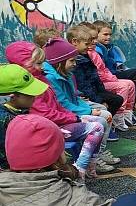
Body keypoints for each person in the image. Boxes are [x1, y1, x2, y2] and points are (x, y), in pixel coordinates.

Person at [5, 41, 109, 177]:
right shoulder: (30, 87)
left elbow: (58, 106)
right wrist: (75, 117)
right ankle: (81, 169)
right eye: (38, 63)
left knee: (100, 121)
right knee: (97, 127)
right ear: (23, 64)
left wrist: (74, 116)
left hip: (58, 122)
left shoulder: (42, 79)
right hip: (48, 127)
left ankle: (90, 164)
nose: (43, 67)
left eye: (42, 62)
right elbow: (44, 113)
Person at [41, 37, 120, 167]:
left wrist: (92, 109)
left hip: (73, 109)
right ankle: (93, 157)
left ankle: (99, 151)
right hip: (65, 115)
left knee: (104, 112)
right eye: (72, 60)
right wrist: (89, 111)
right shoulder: (51, 78)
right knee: (101, 119)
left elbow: (74, 97)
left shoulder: (66, 73)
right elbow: (63, 104)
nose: (75, 64)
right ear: (59, 62)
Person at [78, 22, 136, 130]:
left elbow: (101, 70)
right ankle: (116, 118)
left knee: (132, 83)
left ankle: (127, 112)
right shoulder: (85, 57)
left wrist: (112, 78)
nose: (95, 41)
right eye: (92, 39)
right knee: (122, 89)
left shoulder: (95, 52)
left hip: (100, 84)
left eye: (95, 38)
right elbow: (86, 83)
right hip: (92, 89)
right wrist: (99, 98)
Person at [65, 25, 125, 131]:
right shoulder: (77, 62)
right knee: (109, 105)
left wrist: (102, 95)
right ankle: (104, 128)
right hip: (86, 95)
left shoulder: (86, 56)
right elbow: (83, 85)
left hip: (93, 91)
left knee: (116, 99)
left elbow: (95, 78)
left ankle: (107, 126)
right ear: (74, 42)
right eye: (87, 44)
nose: (90, 46)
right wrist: (99, 100)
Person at [0, 64, 48, 169]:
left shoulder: (17, 110)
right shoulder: (8, 120)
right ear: (11, 97)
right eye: (30, 94)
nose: (35, 96)